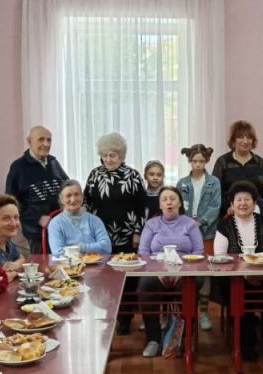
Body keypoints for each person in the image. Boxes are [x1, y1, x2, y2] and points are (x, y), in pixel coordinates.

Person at [214, 181, 263, 360]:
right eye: (239, 200)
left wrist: (262, 274)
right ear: (232, 204)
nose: (243, 203)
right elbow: (220, 257)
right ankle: (246, 342)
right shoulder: (224, 225)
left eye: (247, 199)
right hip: (236, 277)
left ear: (254, 203)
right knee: (236, 289)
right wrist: (245, 274)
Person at [84, 132, 147, 334]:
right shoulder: (95, 175)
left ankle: (125, 319)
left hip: (126, 236)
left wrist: (138, 232)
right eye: (105, 155)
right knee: (101, 277)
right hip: (100, 237)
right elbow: (87, 204)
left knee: (125, 279)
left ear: (121, 155)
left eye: (113, 155)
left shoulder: (132, 175)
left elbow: (143, 207)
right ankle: (106, 315)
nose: (108, 159)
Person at [137, 186, 205, 357]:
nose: (169, 202)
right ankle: (153, 339)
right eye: (165, 199)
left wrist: (181, 269)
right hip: (157, 270)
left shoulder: (189, 223)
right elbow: (143, 252)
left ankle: (185, 337)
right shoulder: (152, 224)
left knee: (189, 287)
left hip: (185, 270)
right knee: (145, 286)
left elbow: (198, 251)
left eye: (173, 199)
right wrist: (159, 270)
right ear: (160, 205)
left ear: (179, 203)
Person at [176, 144, 221, 330]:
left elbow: (215, 206)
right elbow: (177, 207)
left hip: (207, 232)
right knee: (187, 270)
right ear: (189, 161)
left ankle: (203, 312)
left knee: (205, 272)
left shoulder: (214, 182)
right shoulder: (182, 183)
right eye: (194, 161)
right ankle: (187, 310)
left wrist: (200, 221)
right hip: (185, 233)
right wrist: (186, 224)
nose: (198, 164)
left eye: (201, 161)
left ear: (206, 161)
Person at [5, 125, 69, 253]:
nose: (46, 144)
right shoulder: (18, 167)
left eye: (49, 140)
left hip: (60, 227)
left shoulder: (53, 162)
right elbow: (11, 203)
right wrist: (37, 218)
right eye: (41, 139)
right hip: (37, 233)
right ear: (29, 142)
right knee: (42, 264)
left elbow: (68, 186)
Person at [211, 120, 263, 215]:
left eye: (249, 137)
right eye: (240, 137)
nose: (245, 141)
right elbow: (215, 192)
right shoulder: (222, 162)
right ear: (233, 140)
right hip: (228, 213)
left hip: (256, 212)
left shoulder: (259, 162)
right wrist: (230, 206)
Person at [46, 179, 112, 255]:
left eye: (76, 194)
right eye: (68, 196)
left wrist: (81, 247)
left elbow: (107, 247)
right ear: (62, 200)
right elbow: (57, 252)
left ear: (82, 197)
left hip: (96, 262)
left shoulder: (95, 220)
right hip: (67, 262)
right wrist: (92, 248)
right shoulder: (55, 224)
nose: (73, 200)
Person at [0, 194, 25, 270]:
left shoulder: (8, 243)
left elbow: (22, 259)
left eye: (16, 217)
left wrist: (15, 265)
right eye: (6, 218)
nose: (13, 223)